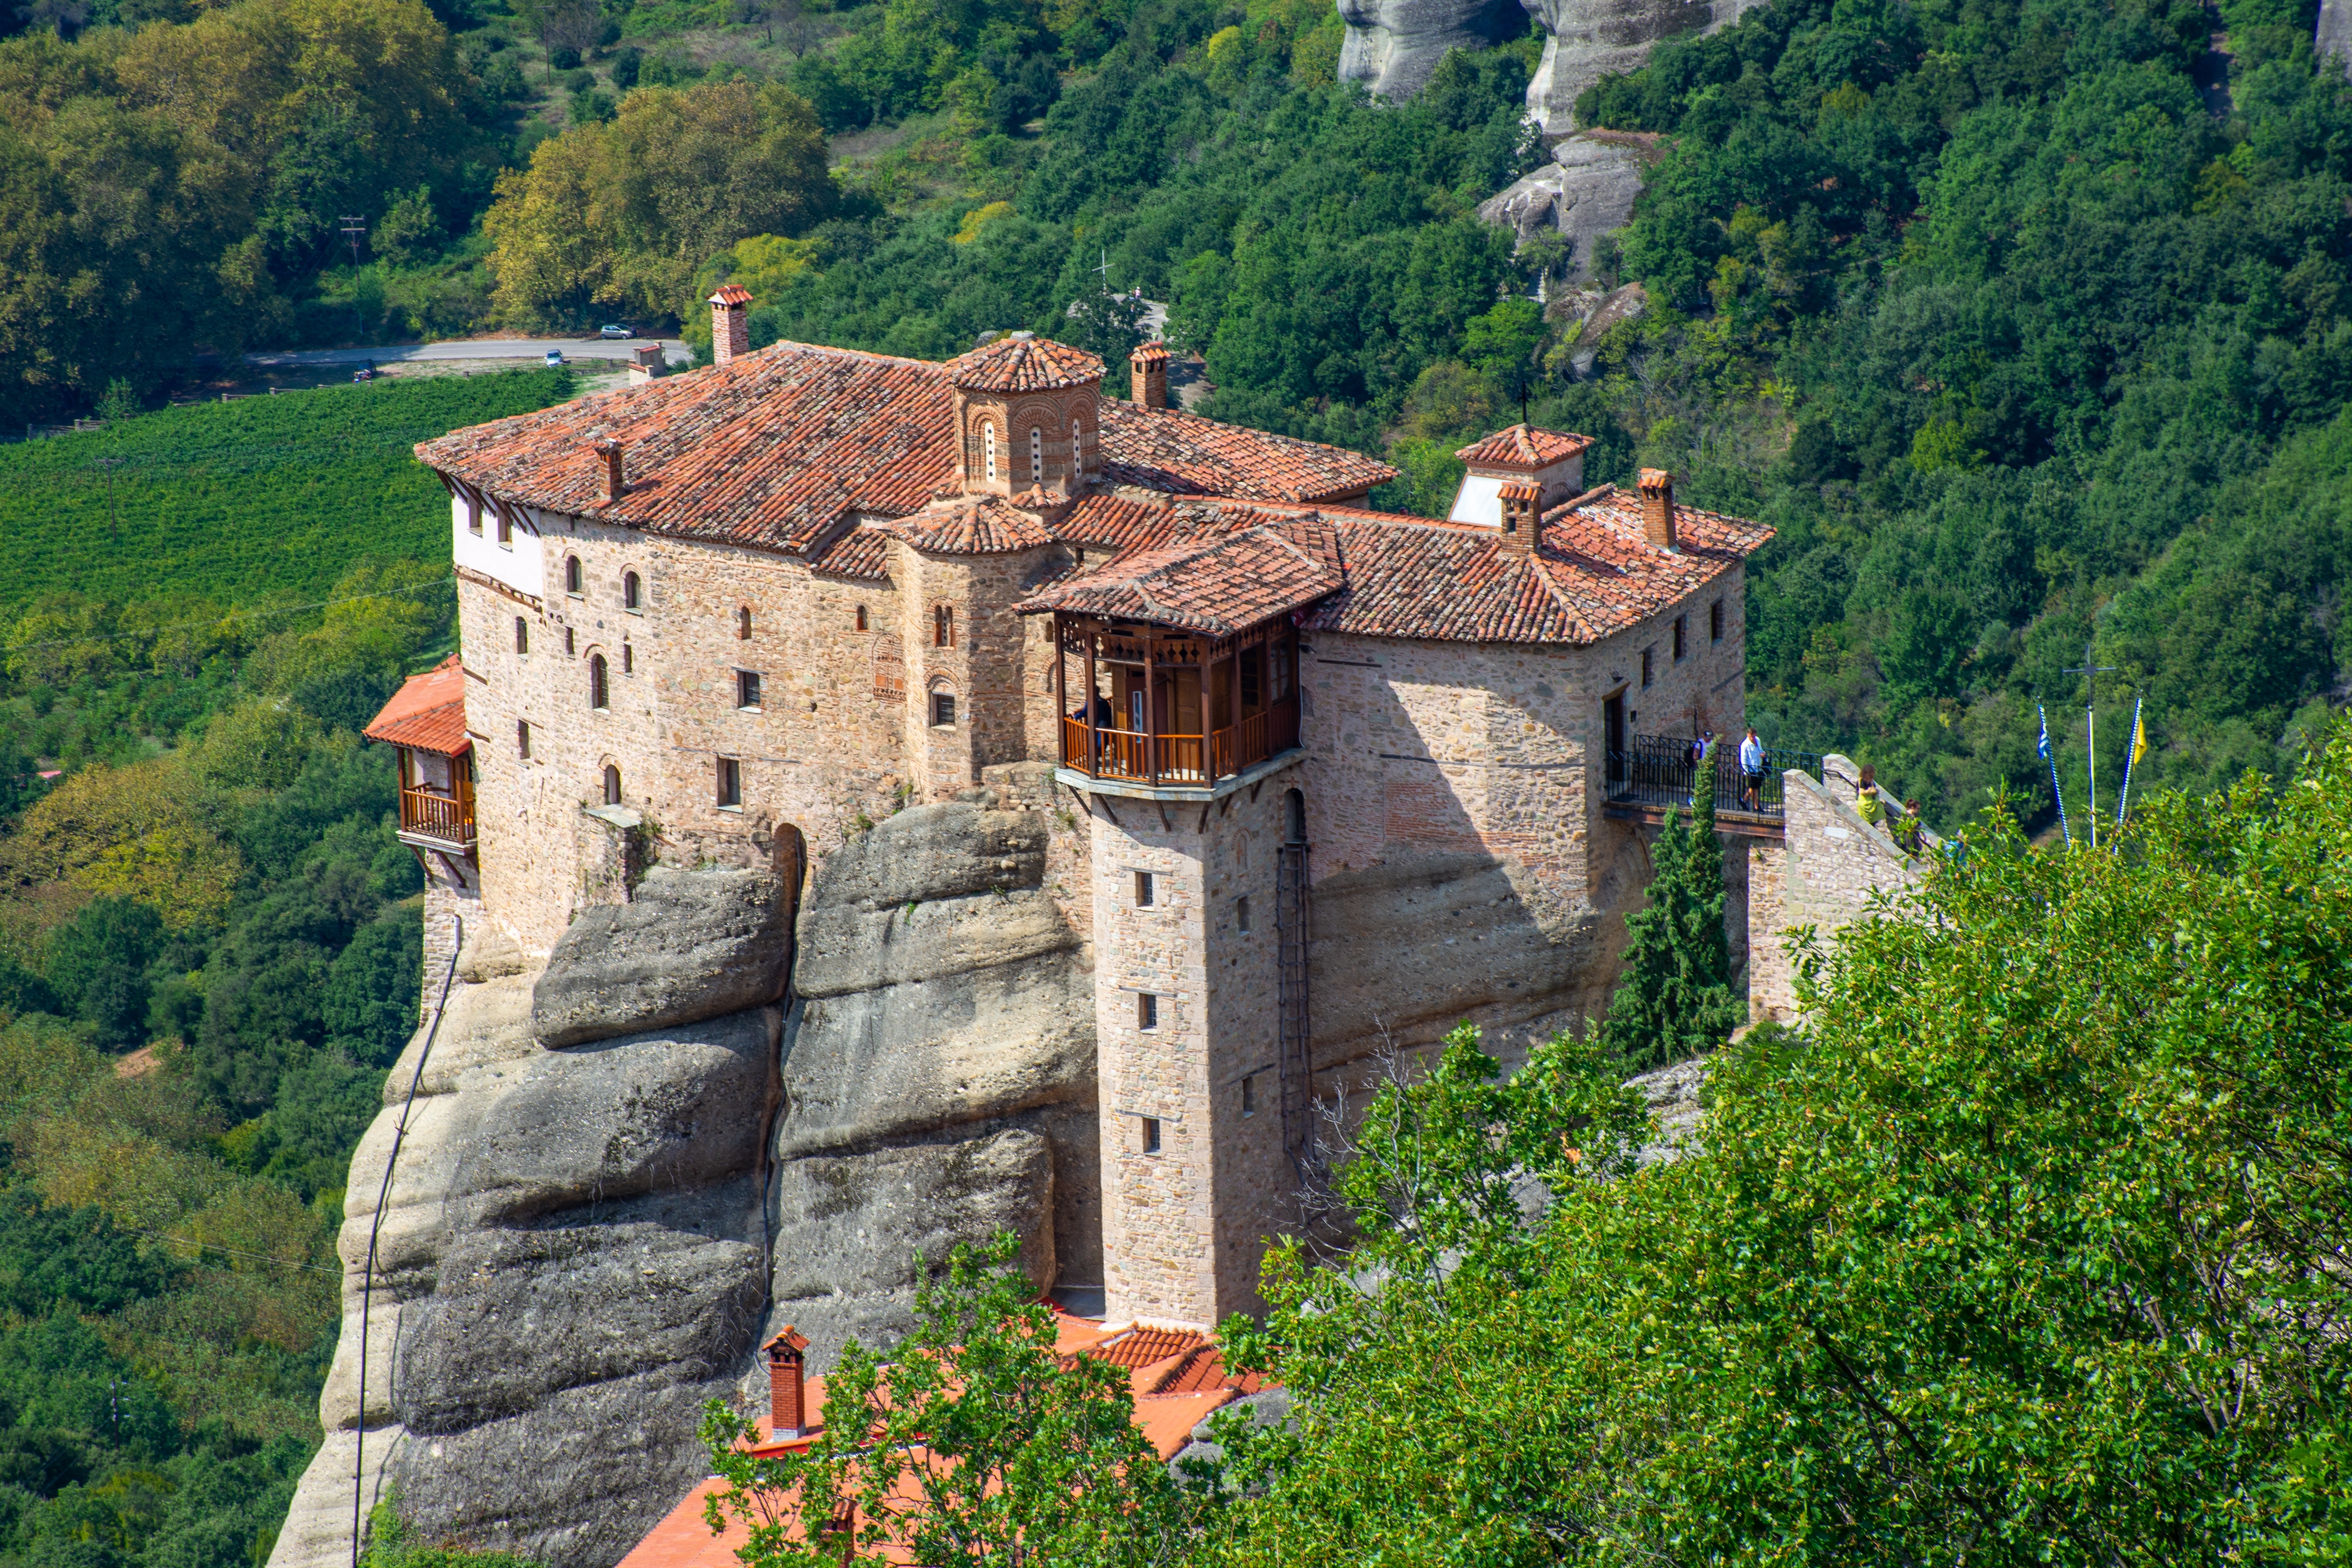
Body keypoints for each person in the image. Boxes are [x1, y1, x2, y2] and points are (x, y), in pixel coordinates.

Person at [1739, 726, 1765, 811]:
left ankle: (1744, 800)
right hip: (1751, 770)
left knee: (1753, 788)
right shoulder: (1745, 745)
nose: (1753, 738)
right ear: (1748, 735)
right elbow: (1743, 759)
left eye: (1754, 737)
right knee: (1755, 789)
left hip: (1758, 768)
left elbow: (1761, 750)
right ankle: (1757, 807)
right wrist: (1747, 772)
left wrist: (1763, 754)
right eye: (1751, 737)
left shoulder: (1758, 740)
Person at [1854, 762, 1886, 827]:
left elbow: (1874, 789)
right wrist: (1870, 791)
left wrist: (1875, 791)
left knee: (1879, 809)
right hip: (1865, 802)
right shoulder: (1862, 780)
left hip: (1871, 800)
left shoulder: (1871, 781)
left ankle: (1872, 823)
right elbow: (1861, 792)